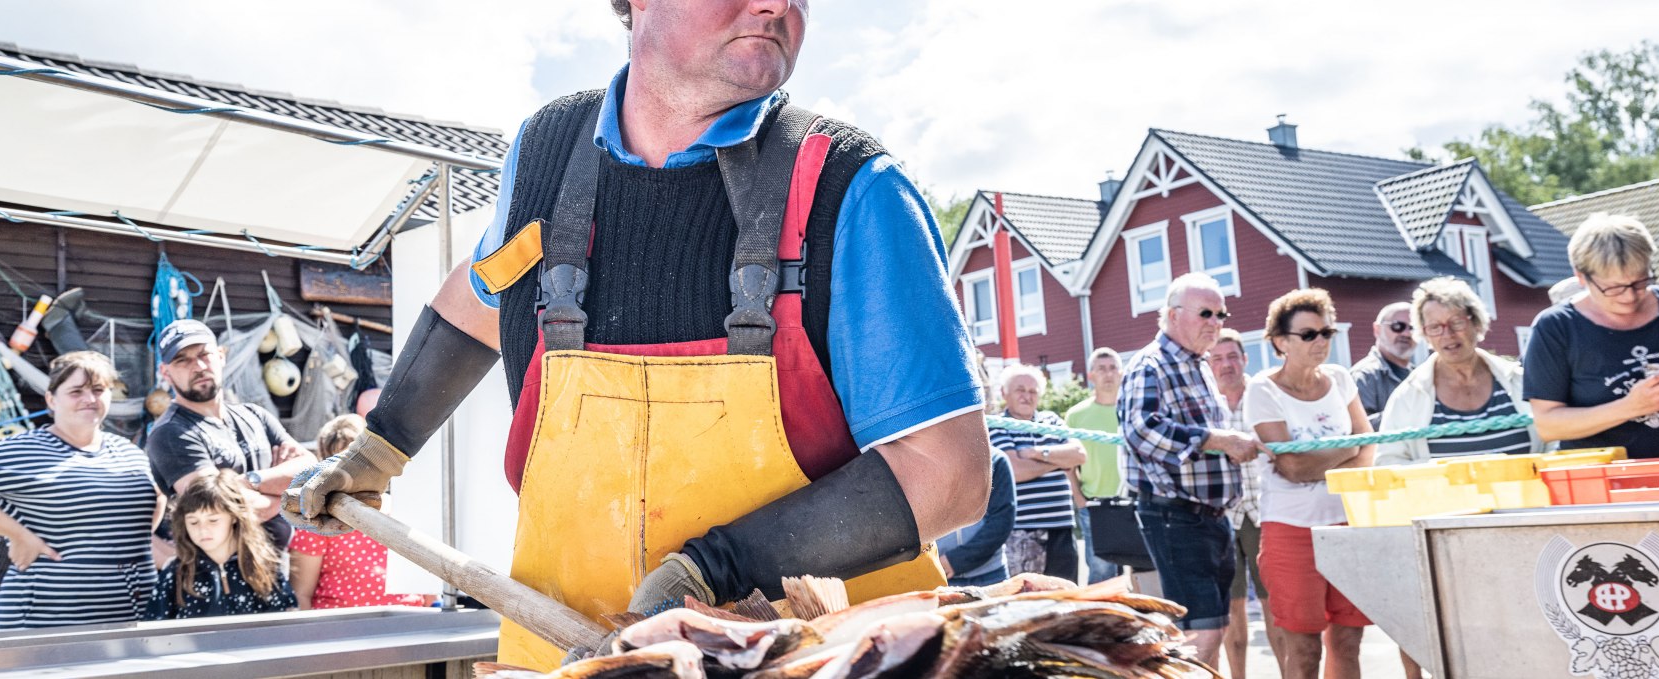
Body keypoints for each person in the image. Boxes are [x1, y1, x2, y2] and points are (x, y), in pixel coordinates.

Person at [284, 1, 990, 668]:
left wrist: (716, 570)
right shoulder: (546, 152)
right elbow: (484, 292)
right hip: (565, 659)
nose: (779, 5)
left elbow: (949, 474)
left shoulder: (848, 186)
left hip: (795, 658)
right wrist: (383, 443)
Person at [0, 352, 161, 629]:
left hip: (131, 616)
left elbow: (153, 502)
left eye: (99, 390)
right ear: (51, 400)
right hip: (46, 619)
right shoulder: (24, 449)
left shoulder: (128, 451)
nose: (90, 399)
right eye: (76, 391)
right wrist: (17, 534)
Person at [1117, 272, 1267, 664]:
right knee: (1198, 632)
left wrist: (1226, 444)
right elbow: (1140, 430)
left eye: (1221, 313)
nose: (1216, 322)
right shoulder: (1151, 364)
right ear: (1172, 315)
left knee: (1211, 629)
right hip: (1176, 515)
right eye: (1206, 313)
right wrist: (1218, 440)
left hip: (1210, 517)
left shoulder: (1198, 365)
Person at [1244, 289, 1376, 679]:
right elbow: (1294, 468)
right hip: (1291, 530)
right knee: (1303, 649)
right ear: (1281, 342)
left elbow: (1368, 447)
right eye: (1308, 334)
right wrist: (1347, 448)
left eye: (1326, 332)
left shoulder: (1340, 379)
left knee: (1349, 642)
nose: (1321, 341)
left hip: (1346, 523)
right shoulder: (1263, 390)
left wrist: (1328, 453)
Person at [1525, 214, 1659, 458]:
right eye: (1613, 288)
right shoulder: (1555, 327)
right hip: (1602, 482)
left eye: (1640, 282)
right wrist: (1631, 407)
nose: (1629, 296)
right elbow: (1548, 425)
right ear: (1581, 277)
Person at [146, 319, 316, 553]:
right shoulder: (170, 433)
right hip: (219, 577)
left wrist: (251, 481)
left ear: (221, 355)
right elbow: (221, 507)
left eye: (204, 354)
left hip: (277, 569)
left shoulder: (255, 415)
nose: (198, 366)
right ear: (165, 372)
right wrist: (291, 497)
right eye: (182, 360)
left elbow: (312, 471)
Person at [1376, 277, 1548, 465]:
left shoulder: (1518, 381)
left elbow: (1553, 443)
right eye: (1434, 327)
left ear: (1476, 323)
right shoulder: (1408, 396)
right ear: (1424, 334)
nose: (1447, 334)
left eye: (1456, 323)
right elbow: (1388, 463)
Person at [289, 415, 435, 609]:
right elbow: (301, 596)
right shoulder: (316, 519)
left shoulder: (315, 519)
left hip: (391, 623)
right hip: (359, 627)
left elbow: (301, 594)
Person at [1207, 328, 1281, 678]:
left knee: (1275, 605)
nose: (1226, 365)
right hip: (1223, 514)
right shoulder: (1205, 404)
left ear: (1245, 358)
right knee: (1232, 610)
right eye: (1217, 358)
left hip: (1264, 510)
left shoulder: (1264, 395)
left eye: (1232, 356)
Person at [144, 471, 297, 620]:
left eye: (213, 520)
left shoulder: (265, 567)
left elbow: (285, 627)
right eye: (193, 522)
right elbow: (153, 635)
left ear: (234, 517)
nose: (202, 529)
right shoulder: (176, 574)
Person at [989, 364, 1087, 581]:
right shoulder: (998, 426)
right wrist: (1058, 461)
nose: (1027, 396)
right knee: (1025, 602)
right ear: (1004, 393)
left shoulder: (1051, 420)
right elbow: (1015, 470)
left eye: (1033, 391)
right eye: (1020, 390)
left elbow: (1079, 454)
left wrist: (1034, 452)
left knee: (1067, 601)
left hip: (1062, 527)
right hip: (1022, 532)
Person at [1067, 348, 1123, 584]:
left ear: (1121, 374)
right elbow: (1068, 463)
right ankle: (1101, 621)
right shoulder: (1077, 415)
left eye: (1112, 368)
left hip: (1134, 500)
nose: (1108, 374)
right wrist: (1079, 498)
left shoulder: (1132, 409)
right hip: (1094, 503)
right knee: (1101, 573)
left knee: (1143, 568)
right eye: (1101, 369)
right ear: (1091, 376)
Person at [936, 447, 1015, 587]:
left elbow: (1001, 521)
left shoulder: (996, 460)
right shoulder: (921, 465)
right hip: (938, 577)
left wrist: (955, 560)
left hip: (991, 576)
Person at [1350, 302, 1415, 428]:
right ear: (1377, 329)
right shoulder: (1363, 376)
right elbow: (1360, 431)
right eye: (1398, 326)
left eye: (1413, 327)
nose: (1407, 334)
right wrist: (1411, 413)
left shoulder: (1423, 376)